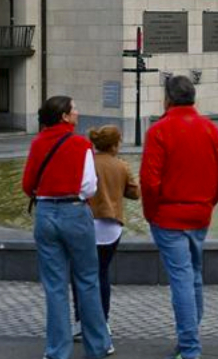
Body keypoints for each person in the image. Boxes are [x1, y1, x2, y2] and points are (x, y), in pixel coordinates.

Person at [141, 75, 218, 359]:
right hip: (198, 215)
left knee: (181, 280)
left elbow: (149, 181)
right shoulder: (209, 129)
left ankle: (190, 347)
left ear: (167, 99)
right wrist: (208, 202)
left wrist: (151, 213)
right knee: (193, 276)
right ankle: (188, 339)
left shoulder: (159, 131)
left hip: (169, 217)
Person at [21, 96, 113, 359]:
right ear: (64, 116)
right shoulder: (80, 144)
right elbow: (90, 187)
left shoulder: (38, 143)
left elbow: (27, 184)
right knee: (87, 281)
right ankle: (97, 347)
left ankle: (56, 352)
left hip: (45, 213)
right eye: (74, 109)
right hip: (74, 212)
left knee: (55, 286)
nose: (77, 112)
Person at [77, 125, 139, 331]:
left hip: (88, 224)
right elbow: (135, 193)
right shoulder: (121, 166)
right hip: (111, 227)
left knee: (83, 274)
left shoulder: (87, 163)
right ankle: (103, 320)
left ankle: (81, 320)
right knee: (102, 273)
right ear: (114, 145)